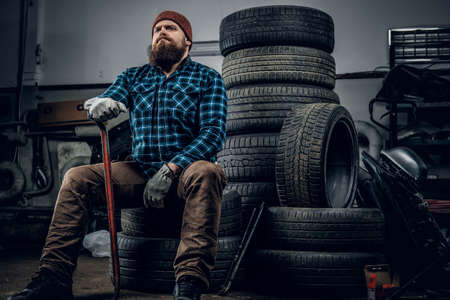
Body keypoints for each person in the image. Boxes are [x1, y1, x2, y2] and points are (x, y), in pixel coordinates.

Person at [8, 10, 228, 300]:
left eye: (170, 28)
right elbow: (107, 99)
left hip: (185, 172)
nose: (161, 32)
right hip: (140, 170)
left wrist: (172, 169)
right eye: (157, 29)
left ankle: (189, 282)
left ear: (187, 42)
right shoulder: (133, 77)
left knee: (208, 172)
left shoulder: (207, 79)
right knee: (76, 178)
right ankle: (53, 277)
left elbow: (213, 132)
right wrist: (97, 104)